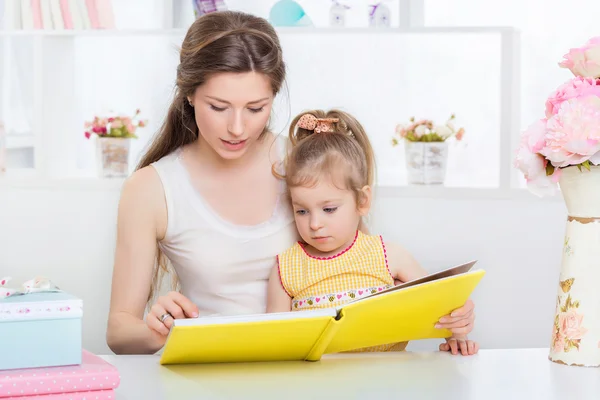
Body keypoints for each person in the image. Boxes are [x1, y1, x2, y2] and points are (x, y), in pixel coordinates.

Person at [105, 10, 476, 356]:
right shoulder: (152, 188)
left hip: (314, 370)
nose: (237, 128)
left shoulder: (305, 163)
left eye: (256, 108)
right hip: (213, 367)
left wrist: (445, 310)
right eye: (218, 107)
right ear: (188, 94)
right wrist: (161, 331)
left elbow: (359, 262)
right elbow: (119, 331)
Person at [266, 110, 478, 356]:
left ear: (362, 200)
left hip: (389, 380)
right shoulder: (286, 268)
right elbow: (273, 337)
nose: (314, 223)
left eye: (329, 209)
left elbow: (443, 304)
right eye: (301, 211)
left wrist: (458, 331)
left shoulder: (388, 255)